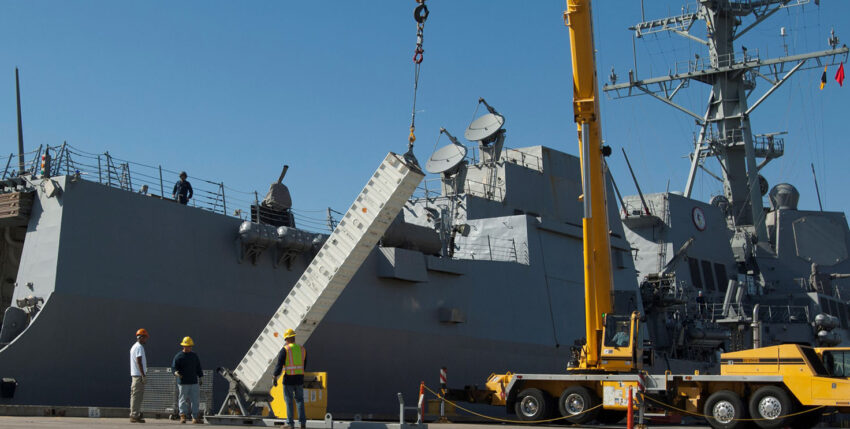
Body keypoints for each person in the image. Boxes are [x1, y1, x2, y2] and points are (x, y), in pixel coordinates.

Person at [272, 329, 307, 429]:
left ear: (287, 339)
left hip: (289, 380)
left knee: (289, 401)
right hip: (299, 379)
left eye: (286, 339)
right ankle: (302, 423)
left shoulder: (285, 350)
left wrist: (275, 376)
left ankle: (290, 424)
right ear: (294, 338)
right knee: (300, 400)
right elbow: (304, 365)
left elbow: (279, 365)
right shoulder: (302, 349)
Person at [172, 336, 204, 424]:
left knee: (195, 400)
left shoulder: (194, 356)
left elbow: (198, 367)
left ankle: (195, 417)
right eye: (188, 346)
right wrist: (176, 373)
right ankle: (182, 416)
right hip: (183, 383)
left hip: (194, 382)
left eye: (190, 346)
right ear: (184, 346)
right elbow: (173, 368)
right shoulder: (179, 356)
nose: (189, 347)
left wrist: (200, 377)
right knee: (182, 399)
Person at [130, 329, 149, 423]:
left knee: (135, 396)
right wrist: (143, 375)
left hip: (135, 375)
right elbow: (139, 361)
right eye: (145, 337)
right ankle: (134, 415)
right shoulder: (139, 347)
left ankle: (134, 414)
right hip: (138, 376)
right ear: (141, 337)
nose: (146, 339)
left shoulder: (134, 346)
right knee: (137, 396)